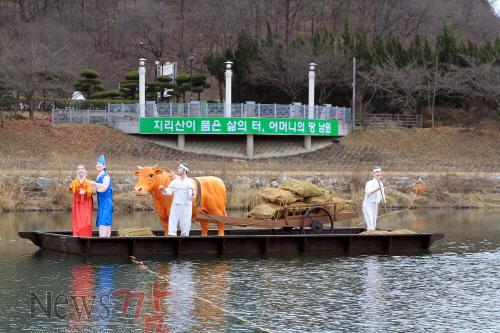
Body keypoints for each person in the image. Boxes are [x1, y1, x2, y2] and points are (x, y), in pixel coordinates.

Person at [160, 162, 195, 236]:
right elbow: (169, 192)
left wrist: (191, 193)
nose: (178, 169)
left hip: (186, 206)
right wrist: (163, 189)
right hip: (175, 205)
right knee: (172, 222)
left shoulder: (189, 183)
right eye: (178, 167)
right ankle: (172, 237)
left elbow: (190, 197)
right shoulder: (175, 182)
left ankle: (184, 239)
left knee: (185, 223)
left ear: (185, 170)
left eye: (180, 168)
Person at [91, 155, 113, 237]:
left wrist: (94, 184)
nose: (98, 165)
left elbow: (104, 188)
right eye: (97, 164)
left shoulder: (106, 177)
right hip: (101, 202)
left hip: (106, 202)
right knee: (102, 221)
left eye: (100, 164)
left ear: (104, 166)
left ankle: (103, 240)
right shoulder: (98, 177)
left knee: (105, 222)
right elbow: (95, 191)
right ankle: (104, 239)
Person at [68, 165, 94, 237]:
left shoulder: (88, 181)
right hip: (77, 202)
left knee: (86, 219)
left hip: (86, 202)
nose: (80, 170)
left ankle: (86, 235)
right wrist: (70, 188)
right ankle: (76, 234)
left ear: (85, 171)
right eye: (78, 169)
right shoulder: (75, 181)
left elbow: (91, 191)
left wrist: (85, 191)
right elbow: (72, 190)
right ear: (77, 171)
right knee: (76, 219)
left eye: (82, 169)